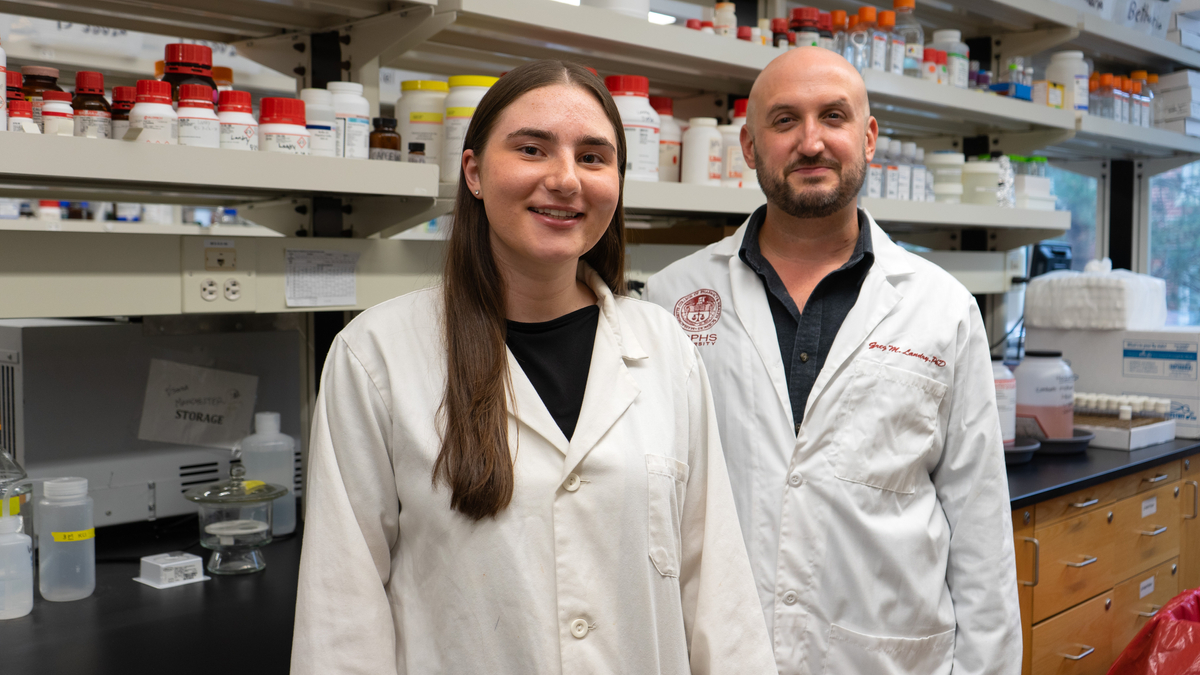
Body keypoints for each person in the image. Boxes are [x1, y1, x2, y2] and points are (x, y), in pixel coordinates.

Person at [290, 60, 776, 675]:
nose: (566, 179)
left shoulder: (665, 347)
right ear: (473, 171)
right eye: (531, 149)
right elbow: (341, 618)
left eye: (594, 157)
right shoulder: (375, 356)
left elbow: (717, 591)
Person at [646, 47, 1021, 675]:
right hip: (718, 655)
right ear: (749, 145)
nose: (811, 142)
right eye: (785, 120)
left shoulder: (943, 309)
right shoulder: (672, 300)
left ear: (868, 137)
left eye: (834, 117)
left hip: (888, 658)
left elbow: (980, 530)